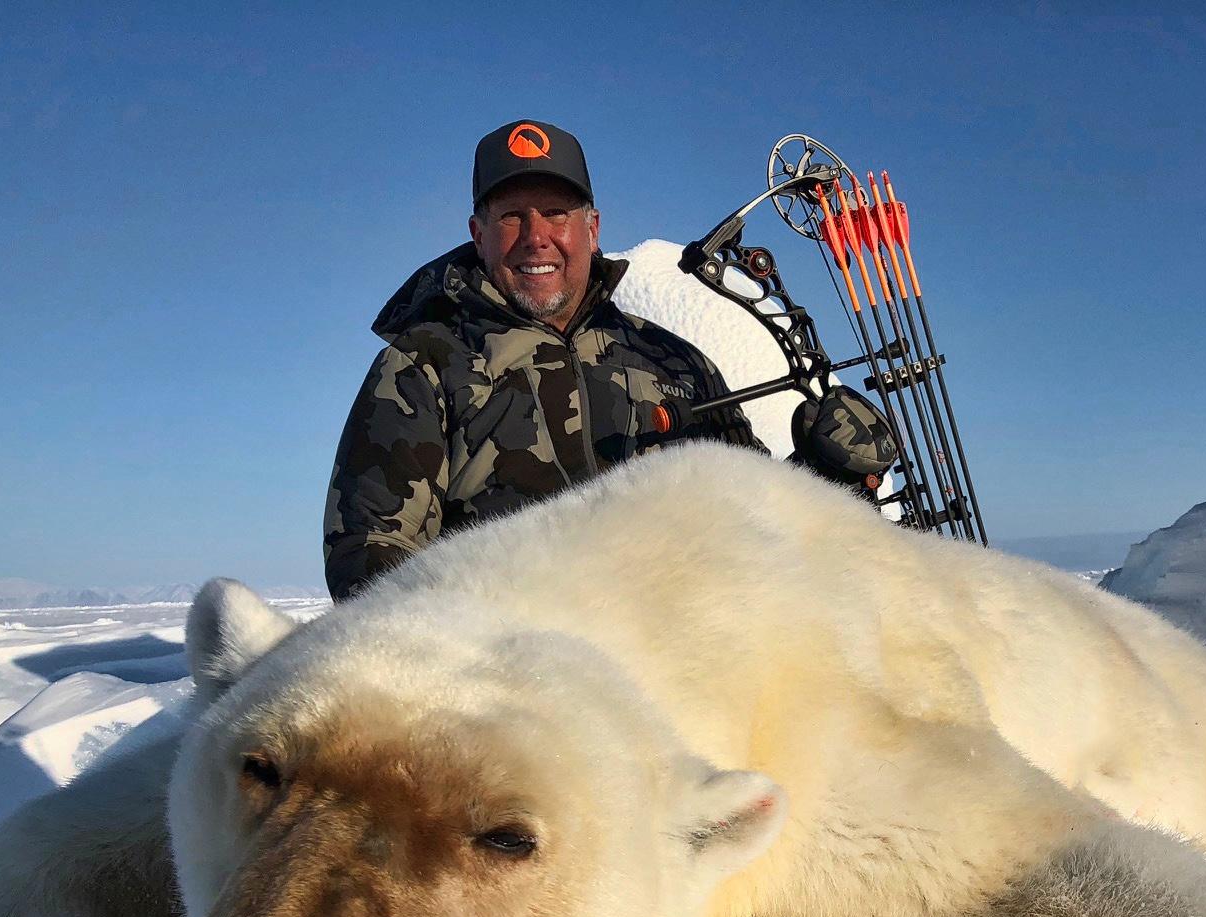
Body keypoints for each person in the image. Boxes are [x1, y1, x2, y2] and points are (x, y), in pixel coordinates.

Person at [323, 118, 895, 601]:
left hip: (690, 671)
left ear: (592, 230)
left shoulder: (674, 362)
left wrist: (833, 478)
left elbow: (754, 521)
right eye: (511, 217)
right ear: (479, 235)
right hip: (511, 683)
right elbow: (370, 563)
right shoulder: (423, 364)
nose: (536, 237)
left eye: (556, 214)